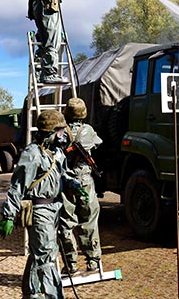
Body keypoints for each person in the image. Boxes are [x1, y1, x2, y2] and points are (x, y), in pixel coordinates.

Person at [0, 109, 88, 299]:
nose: (63, 135)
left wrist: (75, 184)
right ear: (49, 133)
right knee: (46, 257)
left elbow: (62, 174)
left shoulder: (57, 153)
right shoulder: (33, 154)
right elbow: (17, 186)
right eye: (60, 131)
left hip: (54, 208)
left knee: (41, 254)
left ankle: (31, 293)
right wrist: (8, 215)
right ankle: (53, 295)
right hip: (39, 210)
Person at [58, 98, 103, 275]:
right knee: (89, 220)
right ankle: (93, 262)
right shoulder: (88, 130)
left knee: (66, 223)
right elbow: (97, 143)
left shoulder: (60, 132)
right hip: (85, 182)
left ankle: (71, 264)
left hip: (66, 181)